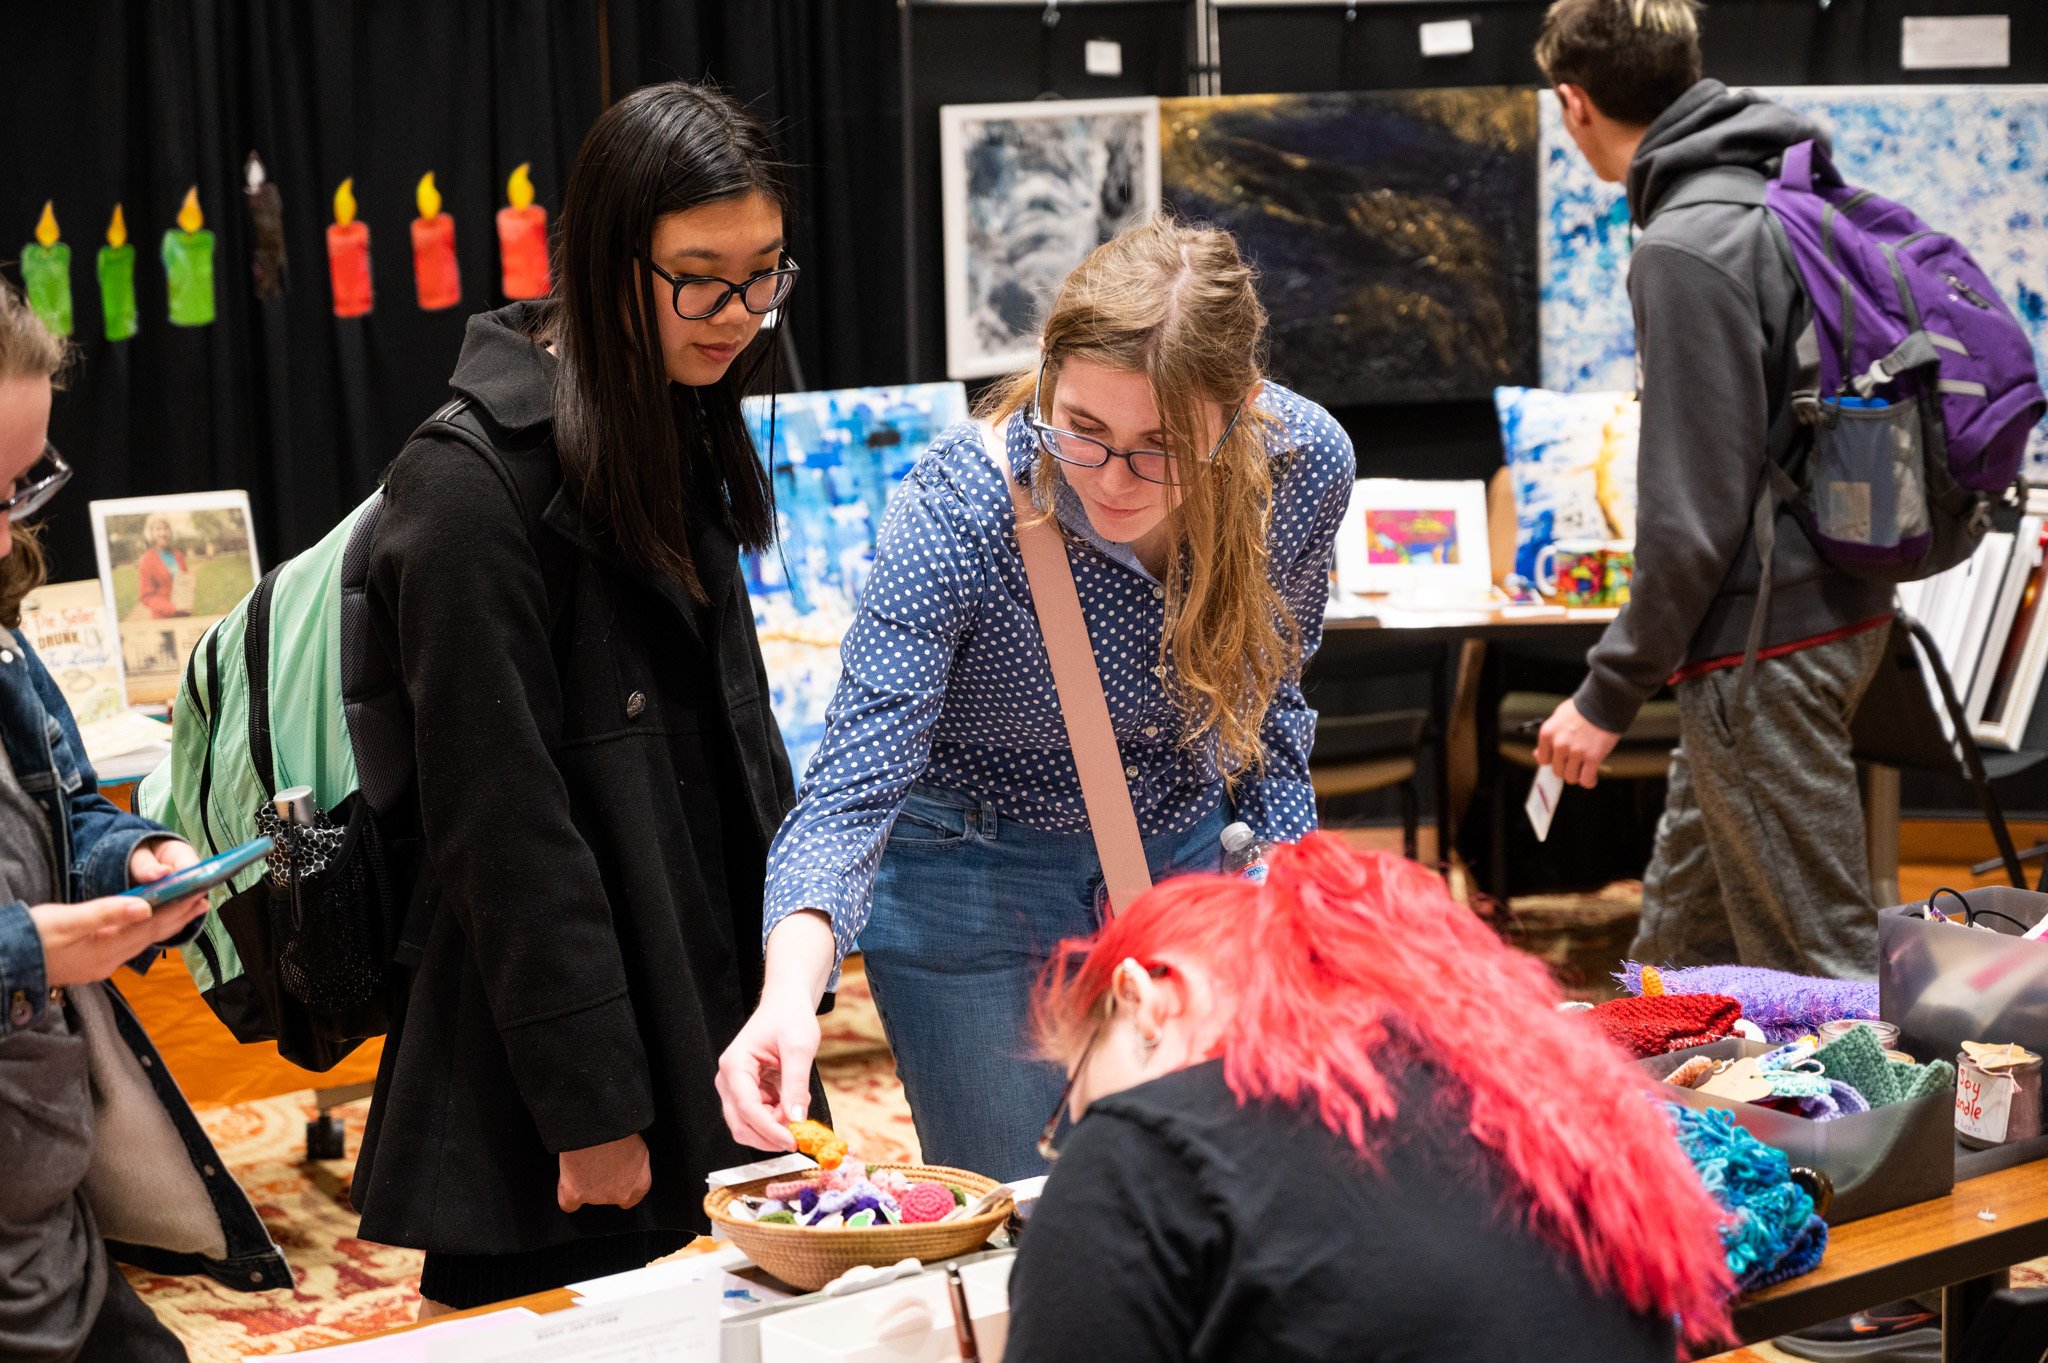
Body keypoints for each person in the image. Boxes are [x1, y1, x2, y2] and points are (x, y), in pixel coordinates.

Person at [718, 217, 1356, 1182]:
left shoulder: (1298, 468)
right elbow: (852, 785)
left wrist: (1282, 894)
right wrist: (787, 995)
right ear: (1045, 375)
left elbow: (1268, 708)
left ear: (1240, 411)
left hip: (1180, 857)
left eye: (1162, 447)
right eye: (1084, 430)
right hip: (967, 881)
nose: (1111, 477)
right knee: (1029, 1210)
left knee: (1210, 1185)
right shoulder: (959, 510)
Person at [347, 81, 817, 1315]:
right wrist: (593, 1108)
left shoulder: (677, 415)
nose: (740, 314)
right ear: (611, 264)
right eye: (701, 277)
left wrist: (789, 987)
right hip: (554, 1076)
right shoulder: (464, 487)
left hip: (704, 1006)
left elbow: (735, 749)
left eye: (767, 272)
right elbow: (502, 834)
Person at [1005, 834, 1734, 1363]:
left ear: (1143, 998)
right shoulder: (1522, 1095)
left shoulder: (1136, 1154)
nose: (1080, 1128)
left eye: (1080, 1090)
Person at [1532, 0, 1894, 979]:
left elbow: (1690, 518)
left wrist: (1605, 693)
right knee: (1680, 952)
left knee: (1816, 963)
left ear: (1574, 103)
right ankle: (1649, 1115)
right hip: (1820, 614)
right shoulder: (1781, 197)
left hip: (1762, 644)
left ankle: (1885, 1133)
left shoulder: (1684, 244)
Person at [0, 280, 289, 1360]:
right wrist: (30, 945)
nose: (6, 539)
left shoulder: (4, 648)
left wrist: (138, 852)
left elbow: (68, 806)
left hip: (46, 1226)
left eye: (23, 487)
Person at [133, 516, 189, 619]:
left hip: (184, 614)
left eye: (166, 528)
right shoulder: (147, 559)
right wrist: (173, 608)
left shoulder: (178, 555)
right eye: (158, 529)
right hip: (163, 618)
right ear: (152, 534)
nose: (163, 533)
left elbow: (185, 582)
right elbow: (146, 597)